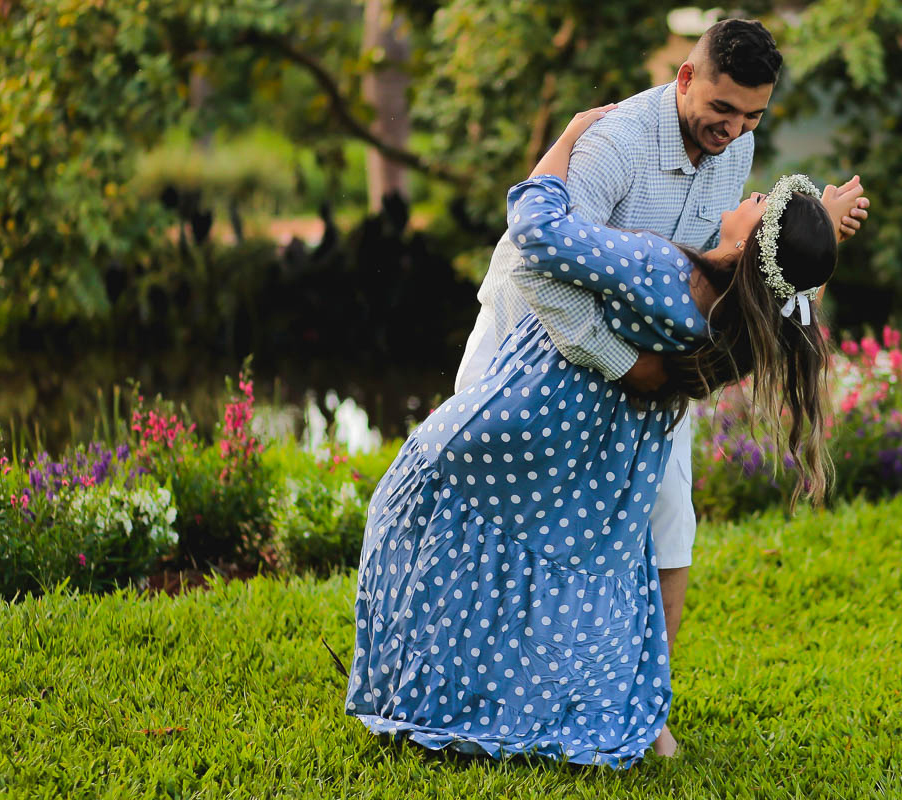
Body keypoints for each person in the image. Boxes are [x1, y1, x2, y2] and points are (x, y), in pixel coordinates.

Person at [344, 105, 862, 769]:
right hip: (605, 468)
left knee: (415, 514)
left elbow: (537, 234)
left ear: (749, 247)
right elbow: (788, 281)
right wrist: (818, 226)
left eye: (766, 204)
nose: (754, 195)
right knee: (557, 582)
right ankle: (558, 710)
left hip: (526, 419)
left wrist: (566, 137)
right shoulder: (742, 330)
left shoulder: (659, 269)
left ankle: (426, 698)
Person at [453, 18, 869, 757]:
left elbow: (731, 265)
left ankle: (643, 711)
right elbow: (537, 266)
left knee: (671, 515)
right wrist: (627, 365)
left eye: (752, 117)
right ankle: (487, 693)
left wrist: (808, 237)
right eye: (722, 108)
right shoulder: (615, 143)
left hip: (651, 360)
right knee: (501, 525)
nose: (734, 131)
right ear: (685, 77)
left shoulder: (736, 150)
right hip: (530, 348)